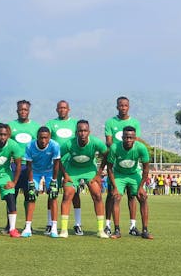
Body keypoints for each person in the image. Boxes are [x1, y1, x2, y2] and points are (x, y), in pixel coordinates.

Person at [58, 120, 109, 238]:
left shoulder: (95, 142)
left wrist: (98, 174)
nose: (82, 133)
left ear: (89, 132)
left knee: (97, 194)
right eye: (80, 131)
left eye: (85, 131)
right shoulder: (69, 144)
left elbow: (106, 154)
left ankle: (101, 230)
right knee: (67, 194)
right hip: (73, 170)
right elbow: (57, 157)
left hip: (89, 170)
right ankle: (64, 230)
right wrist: (65, 174)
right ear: (76, 132)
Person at [104, 96, 142, 237]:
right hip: (116, 162)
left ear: (129, 106)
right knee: (112, 195)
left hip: (131, 165)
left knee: (132, 196)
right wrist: (117, 149)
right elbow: (108, 142)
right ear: (117, 107)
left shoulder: (135, 123)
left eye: (125, 105)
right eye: (121, 105)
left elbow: (135, 142)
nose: (123, 107)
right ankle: (108, 225)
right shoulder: (110, 122)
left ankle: (133, 226)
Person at [107, 126, 153, 239]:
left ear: (135, 138)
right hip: (119, 174)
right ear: (122, 138)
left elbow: (146, 169)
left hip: (134, 174)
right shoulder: (115, 148)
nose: (128, 140)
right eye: (126, 137)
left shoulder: (141, 148)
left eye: (131, 138)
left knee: (143, 197)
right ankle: (117, 230)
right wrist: (115, 187)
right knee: (116, 197)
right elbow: (109, 168)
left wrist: (141, 187)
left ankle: (145, 230)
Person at [46, 100, 83, 236]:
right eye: (60, 108)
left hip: (71, 165)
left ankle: (77, 224)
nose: (62, 110)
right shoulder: (51, 124)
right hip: (55, 163)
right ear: (56, 110)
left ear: (69, 109)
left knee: (74, 194)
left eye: (64, 108)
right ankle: (50, 223)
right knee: (52, 192)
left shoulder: (75, 124)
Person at [6, 100, 40, 232]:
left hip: (29, 167)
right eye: (21, 110)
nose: (23, 112)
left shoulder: (35, 127)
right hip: (14, 166)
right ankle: (9, 225)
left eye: (25, 110)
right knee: (11, 196)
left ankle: (28, 224)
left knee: (29, 196)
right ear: (17, 110)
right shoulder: (11, 126)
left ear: (29, 111)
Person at [21, 126, 61, 238]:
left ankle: (54, 227)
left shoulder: (55, 145)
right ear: (37, 137)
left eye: (46, 138)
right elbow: (29, 166)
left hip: (49, 171)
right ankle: (28, 227)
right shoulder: (30, 146)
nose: (43, 141)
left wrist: (53, 180)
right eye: (41, 138)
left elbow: (57, 163)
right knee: (31, 196)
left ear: (49, 138)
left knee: (53, 196)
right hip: (35, 172)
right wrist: (31, 183)